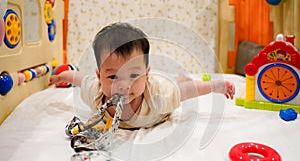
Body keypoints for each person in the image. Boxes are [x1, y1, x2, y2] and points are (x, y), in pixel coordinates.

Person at [49, 22, 235, 129]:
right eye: (113, 77)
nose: (123, 85)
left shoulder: (158, 97)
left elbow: (187, 91)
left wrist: (215, 86)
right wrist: (59, 77)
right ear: (99, 76)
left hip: (161, 89)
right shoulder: (96, 93)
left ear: (146, 74)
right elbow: (78, 78)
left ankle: (180, 77)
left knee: (179, 85)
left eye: (133, 75)